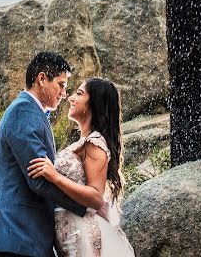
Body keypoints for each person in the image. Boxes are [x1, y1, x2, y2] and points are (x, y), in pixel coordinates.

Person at [0, 52, 87, 257]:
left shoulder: (30, 111)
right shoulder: (24, 111)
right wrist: (84, 205)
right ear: (41, 79)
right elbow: (38, 179)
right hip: (18, 235)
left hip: (24, 236)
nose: (64, 93)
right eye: (61, 84)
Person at [27, 78, 135, 257]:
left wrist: (55, 177)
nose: (69, 98)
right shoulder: (83, 143)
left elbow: (95, 197)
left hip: (85, 236)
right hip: (70, 235)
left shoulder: (95, 143)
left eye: (79, 93)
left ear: (94, 102)